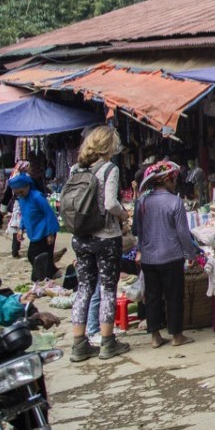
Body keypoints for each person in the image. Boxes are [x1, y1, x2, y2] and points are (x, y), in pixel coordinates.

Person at [67, 126, 131, 362]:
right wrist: (124, 216)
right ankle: (107, 342)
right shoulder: (108, 169)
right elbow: (111, 203)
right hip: (105, 237)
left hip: (81, 237)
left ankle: (79, 344)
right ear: (109, 146)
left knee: (83, 288)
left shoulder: (76, 168)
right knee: (107, 289)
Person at [135, 160, 200, 350]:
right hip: (171, 256)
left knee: (153, 296)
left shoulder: (143, 201)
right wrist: (191, 254)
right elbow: (182, 232)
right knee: (174, 296)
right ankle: (176, 335)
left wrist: (140, 249)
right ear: (168, 181)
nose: (175, 183)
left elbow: (139, 230)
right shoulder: (175, 202)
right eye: (174, 180)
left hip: (148, 257)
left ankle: (155, 336)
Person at [7, 173, 58, 281]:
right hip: (34, 232)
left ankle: (41, 277)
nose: (20, 194)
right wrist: (20, 228)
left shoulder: (37, 197)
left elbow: (49, 214)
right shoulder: (21, 199)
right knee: (42, 256)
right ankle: (50, 273)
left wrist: (50, 233)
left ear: (28, 186)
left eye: (22, 191)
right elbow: (24, 215)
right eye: (17, 193)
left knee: (33, 255)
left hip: (45, 231)